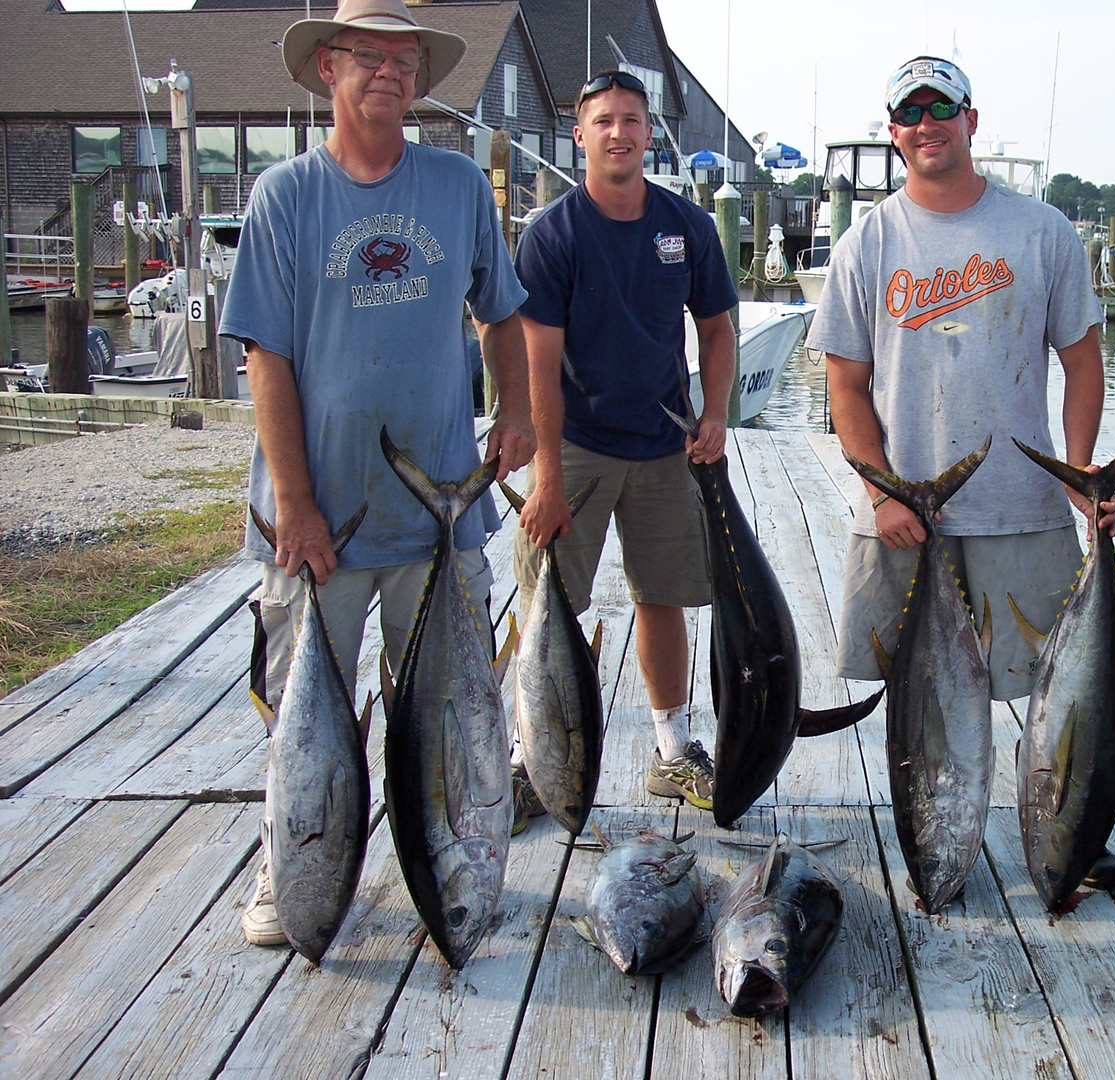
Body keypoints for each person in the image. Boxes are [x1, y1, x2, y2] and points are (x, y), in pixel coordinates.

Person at [220, 0, 534, 946]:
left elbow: (503, 312)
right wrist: (300, 506)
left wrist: (515, 408)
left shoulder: (457, 187)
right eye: (369, 57)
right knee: (302, 712)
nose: (390, 73)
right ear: (327, 68)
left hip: (436, 513)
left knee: (456, 706)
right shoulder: (286, 197)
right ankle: (295, 867)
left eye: (406, 60)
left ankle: (451, 846)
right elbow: (264, 358)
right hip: (316, 519)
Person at [808, 56, 1115, 885]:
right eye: (908, 113)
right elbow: (844, 384)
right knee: (914, 699)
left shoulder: (1042, 231)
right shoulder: (866, 242)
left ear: (971, 120)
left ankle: (1062, 836)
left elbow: (1084, 364)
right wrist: (880, 492)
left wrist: (1077, 468)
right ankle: (936, 830)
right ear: (892, 132)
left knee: (1052, 693)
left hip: (1022, 508)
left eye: (940, 109)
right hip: (901, 518)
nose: (925, 125)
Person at [511, 71, 738, 812]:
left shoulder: (688, 227)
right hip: (573, 440)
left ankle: (673, 750)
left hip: (665, 443)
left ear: (649, 133)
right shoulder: (552, 235)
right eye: (603, 119)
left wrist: (716, 411)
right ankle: (526, 756)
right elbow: (538, 365)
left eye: (632, 119)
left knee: (663, 598)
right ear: (580, 134)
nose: (619, 132)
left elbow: (716, 329)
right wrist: (547, 478)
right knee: (547, 600)